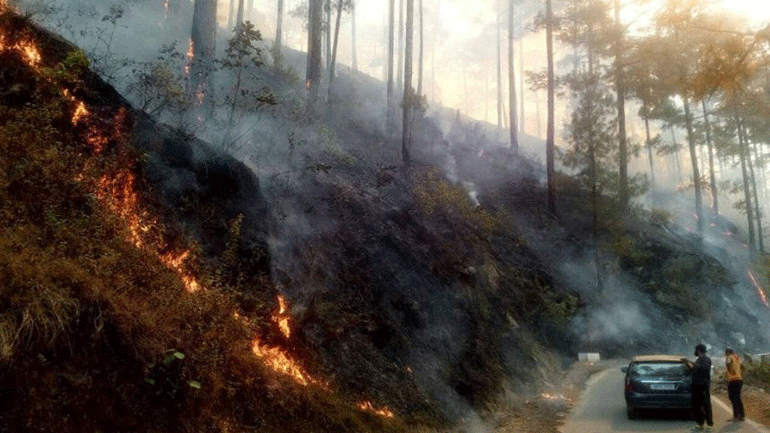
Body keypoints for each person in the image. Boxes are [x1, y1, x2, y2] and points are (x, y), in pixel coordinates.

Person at [682, 344, 713, 431]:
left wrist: (690, 361)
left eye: (696, 350)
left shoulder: (706, 359)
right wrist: (687, 363)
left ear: (699, 350)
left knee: (706, 405)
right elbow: (693, 370)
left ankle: (709, 425)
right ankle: (700, 424)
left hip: (703, 386)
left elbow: (703, 368)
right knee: (696, 406)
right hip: (695, 385)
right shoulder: (698, 359)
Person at [725, 348, 745, 422]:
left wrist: (729, 371)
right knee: (738, 398)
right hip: (739, 379)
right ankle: (742, 415)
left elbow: (728, 363)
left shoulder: (729, 357)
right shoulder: (737, 357)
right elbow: (743, 367)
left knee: (733, 398)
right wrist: (740, 374)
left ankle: (736, 416)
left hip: (733, 380)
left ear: (727, 353)